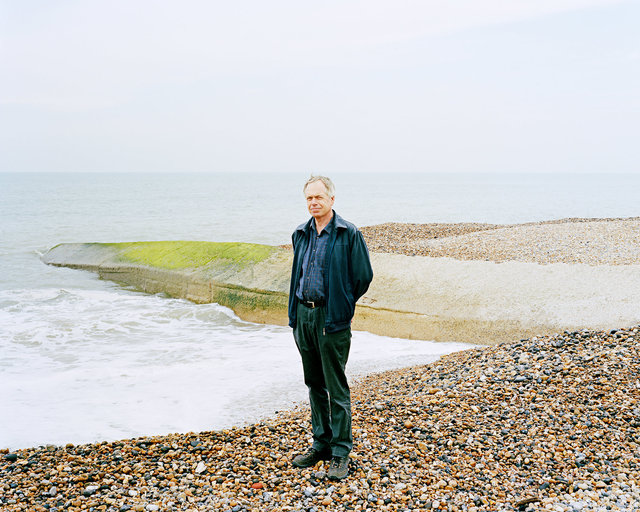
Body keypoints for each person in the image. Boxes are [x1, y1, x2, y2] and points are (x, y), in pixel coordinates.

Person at [288, 175, 373, 480]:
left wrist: (342, 305)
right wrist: (296, 317)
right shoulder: (301, 233)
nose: (314, 202)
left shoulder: (348, 233)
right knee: (314, 383)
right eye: (309, 198)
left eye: (319, 198)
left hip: (331, 319)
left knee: (336, 387)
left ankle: (340, 451)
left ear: (331, 200)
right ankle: (321, 443)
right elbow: (298, 274)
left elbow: (363, 276)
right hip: (304, 316)